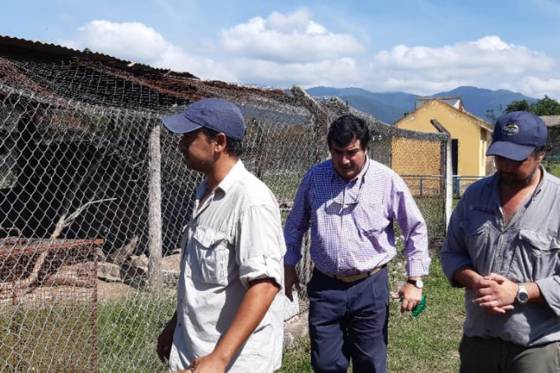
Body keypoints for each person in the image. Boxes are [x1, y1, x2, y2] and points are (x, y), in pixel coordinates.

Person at [284, 113, 431, 373]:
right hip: (325, 286)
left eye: (352, 152)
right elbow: (295, 224)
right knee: (325, 364)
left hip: (369, 286)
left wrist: (414, 280)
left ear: (365, 148)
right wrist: (288, 265)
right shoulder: (314, 178)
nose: (344, 160)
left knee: (370, 363)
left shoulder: (386, 181)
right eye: (337, 152)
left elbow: (415, 228)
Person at [156, 98, 286, 373]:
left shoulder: (251, 201)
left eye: (190, 136)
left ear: (219, 142)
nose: (180, 144)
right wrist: (175, 325)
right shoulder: (203, 194)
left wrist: (220, 358)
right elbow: (203, 281)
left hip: (234, 363)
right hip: (194, 353)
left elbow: (264, 286)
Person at [440, 111, 560, 373]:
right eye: (500, 157)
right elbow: (451, 253)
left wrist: (519, 292)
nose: (505, 165)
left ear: (541, 153)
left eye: (517, 159)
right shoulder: (475, 196)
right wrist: (475, 280)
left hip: (535, 345)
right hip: (479, 339)